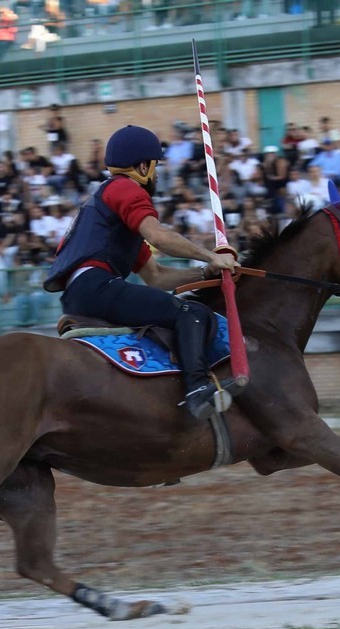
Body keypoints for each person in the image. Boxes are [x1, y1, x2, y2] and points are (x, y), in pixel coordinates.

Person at [43, 125, 238, 420]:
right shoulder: (125, 188)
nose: (157, 174)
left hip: (82, 292)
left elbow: (156, 277)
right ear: (143, 166)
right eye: (156, 166)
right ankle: (197, 388)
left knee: (175, 307)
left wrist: (206, 271)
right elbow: (159, 237)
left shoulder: (111, 212)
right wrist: (211, 254)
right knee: (192, 313)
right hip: (96, 286)